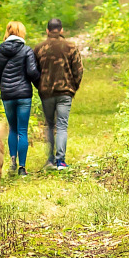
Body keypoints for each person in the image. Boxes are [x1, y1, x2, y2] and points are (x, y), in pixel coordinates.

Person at [33, 18, 83, 170]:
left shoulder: (39, 48)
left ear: (47, 31)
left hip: (46, 93)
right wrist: (73, 87)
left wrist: (40, 86)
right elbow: (78, 70)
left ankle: (50, 160)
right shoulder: (70, 46)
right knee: (62, 125)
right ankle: (60, 161)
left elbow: (33, 72)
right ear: (61, 30)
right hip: (65, 92)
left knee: (49, 125)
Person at [0, 21, 40, 176]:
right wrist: (39, 84)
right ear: (21, 33)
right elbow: (32, 72)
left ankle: (13, 162)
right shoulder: (26, 50)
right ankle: (22, 168)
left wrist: (4, 86)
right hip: (24, 95)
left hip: (7, 96)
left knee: (12, 128)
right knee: (22, 131)